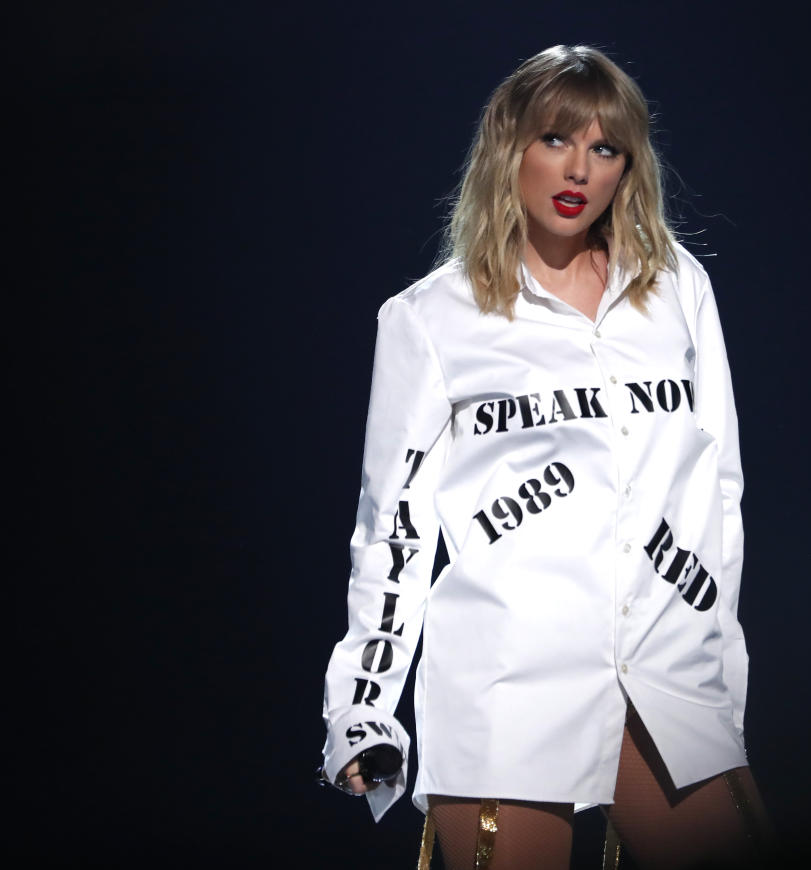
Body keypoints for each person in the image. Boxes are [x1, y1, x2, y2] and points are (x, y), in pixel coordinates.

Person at [318, 44, 771, 869]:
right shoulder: (431, 320)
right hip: (506, 686)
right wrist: (364, 710)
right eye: (557, 139)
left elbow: (719, 496)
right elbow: (393, 531)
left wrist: (719, 684)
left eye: (606, 148)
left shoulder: (677, 291)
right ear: (509, 146)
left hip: (665, 678)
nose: (580, 169)